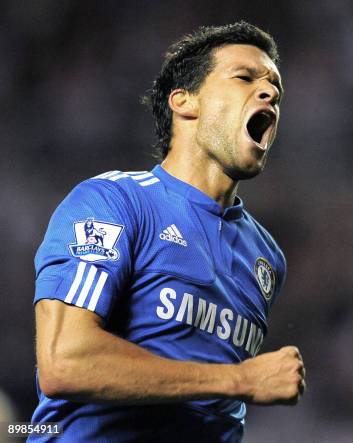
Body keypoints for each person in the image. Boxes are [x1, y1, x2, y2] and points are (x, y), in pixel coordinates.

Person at [29, 21, 305, 442]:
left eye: (274, 88)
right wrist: (239, 380)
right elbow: (65, 361)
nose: (269, 92)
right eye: (245, 78)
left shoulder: (267, 256)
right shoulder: (115, 202)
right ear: (185, 102)